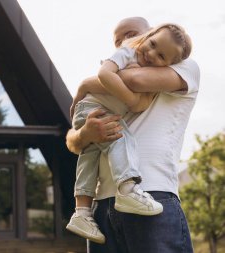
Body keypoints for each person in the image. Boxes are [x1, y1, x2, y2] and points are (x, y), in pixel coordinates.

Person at [66, 17, 199, 253]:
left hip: (150, 191)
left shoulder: (182, 63)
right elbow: (73, 141)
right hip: (102, 205)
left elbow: (136, 80)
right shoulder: (115, 78)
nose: (125, 43)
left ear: (151, 33)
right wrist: (86, 133)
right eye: (118, 40)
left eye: (131, 34)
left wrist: (86, 83)